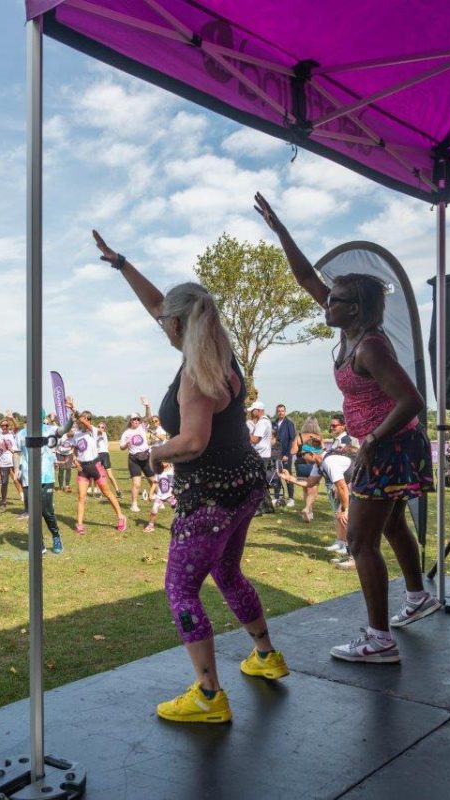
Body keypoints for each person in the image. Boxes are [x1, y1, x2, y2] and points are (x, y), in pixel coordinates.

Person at [96, 229, 288, 725]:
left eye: (166, 323)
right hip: (244, 485)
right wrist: (122, 265)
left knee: (181, 590)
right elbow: (162, 304)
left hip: (209, 498)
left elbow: (194, 442)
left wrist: (152, 454)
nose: (161, 327)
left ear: (180, 324)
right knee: (226, 573)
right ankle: (266, 655)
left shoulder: (197, 373)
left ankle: (208, 696)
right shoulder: (219, 352)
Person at [257, 193, 439, 664]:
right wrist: (280, 231)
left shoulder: (370, 347)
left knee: (360, 540)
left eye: (335, 301)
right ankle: (418, 597)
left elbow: (412, 399)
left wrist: (371, 442)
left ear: (355, 308)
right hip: (386, 443)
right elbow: (305, 278)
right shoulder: (348, 331)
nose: (326, 305)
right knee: (394, 523)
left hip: (390, 445)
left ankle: (379, 640)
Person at [60, 400, 127, 535]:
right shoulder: (77, 434)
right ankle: (79, 524)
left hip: (96, 466)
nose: (85, 421)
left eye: (87, 419)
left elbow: (84, 423)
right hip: (83, 469)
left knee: (107, 493)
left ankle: (121, 517)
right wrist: (76, 461)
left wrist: (74, 410)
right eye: (83, 418)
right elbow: (73, 448)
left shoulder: (94, 431)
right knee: (81, 497)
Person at [16, 414, 64, 554]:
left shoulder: (50, 430)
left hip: (46, 477)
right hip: (28, 478)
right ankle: (39, 542)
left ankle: (56, 536)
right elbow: (17, 452)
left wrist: (71, 419)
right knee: (33, 512)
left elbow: (65, 430)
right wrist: (16, 468)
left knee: (47, 511)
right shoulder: (21, 434)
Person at [121, 402, 156, 510]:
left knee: (153, 481)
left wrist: (147, 406)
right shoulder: (126, 433)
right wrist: (126, 445)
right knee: (137, 484)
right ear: (130, 421)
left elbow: (149, 417)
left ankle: (158, 499)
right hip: (134, 459)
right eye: (133, 419)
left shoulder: (142, 427)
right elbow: (121, 447)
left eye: (137, 419)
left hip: (146, 457)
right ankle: (134, 504)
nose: (136, 421)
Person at [246, 400, 274, 514]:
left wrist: (243, 433)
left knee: (256, 482)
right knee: (261, 482)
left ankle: (258, 508)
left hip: (260, 455)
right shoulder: (266, 421)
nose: (251, 413)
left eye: (253, 410)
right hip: (264, 454)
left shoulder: (262, 423)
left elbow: (255, 439)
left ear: (258, 410)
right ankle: (268, 507)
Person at [272, 404, 298, 508]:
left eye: (282, 411)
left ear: (285, 412)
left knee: (287, 476)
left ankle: (291, 498)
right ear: (277, 412)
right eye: (279, 411)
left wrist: (287, 454)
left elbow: (292, 440)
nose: (281, 412)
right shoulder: (273, 423)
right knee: (277, 475)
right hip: (276, 454)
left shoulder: (289, 424)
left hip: (286, 454)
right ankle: (277, 497)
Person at [143, 463, 176, 533]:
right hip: (160, 496)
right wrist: (151, 493)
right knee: (153, 510)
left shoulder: (173, 470)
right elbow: (155, 483)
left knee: (179, 511)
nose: (163, 462)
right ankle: (150, 526)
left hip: (171, 496)